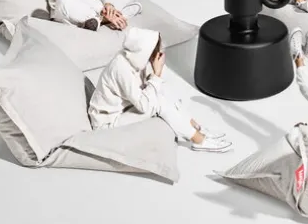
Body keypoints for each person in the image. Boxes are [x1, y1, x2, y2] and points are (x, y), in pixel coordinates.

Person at [88, 26, 233, 153]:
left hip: (125, 109)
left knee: (163, 90)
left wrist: (155, 75)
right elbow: (145, 106)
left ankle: (195, 127)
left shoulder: (135, 59)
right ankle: (198, 140)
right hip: (108, 123)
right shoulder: (121, 69)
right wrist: (156, 74)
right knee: (159, 103)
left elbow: (152, 89)